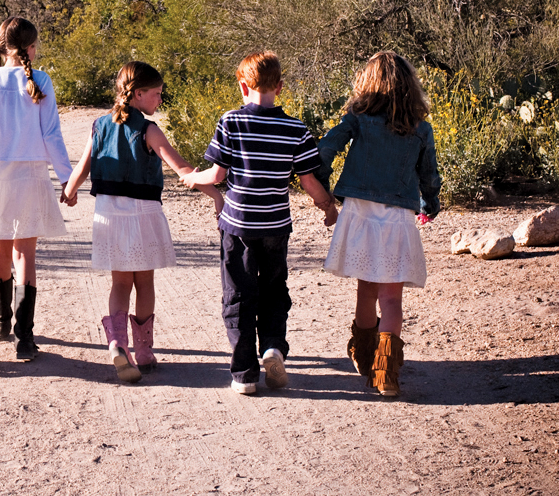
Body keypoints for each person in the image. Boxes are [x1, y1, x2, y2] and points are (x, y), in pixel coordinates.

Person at [180, 51, 336, 394]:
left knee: (237, 295)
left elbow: (218, 174)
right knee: (274, 290)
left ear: (242, 85)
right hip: (276, 226)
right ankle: (273, 347)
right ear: (279, 87)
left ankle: (245, 374)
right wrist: (328, 207)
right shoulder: (295, 128)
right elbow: (308, 180)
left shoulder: (231, 122)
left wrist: (193, 177)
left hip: (238, 225)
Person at [63, 62, 224, 383]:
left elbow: (83, 166)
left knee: (120, 283)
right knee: (144, 282)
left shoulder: (99, 126)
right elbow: (182, 169)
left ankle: (117, 344)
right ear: (138, 94)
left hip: (109, 215)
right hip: (143, 216)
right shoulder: (149, 129)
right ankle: (144, 352)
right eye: (157, 94)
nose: (160, 100)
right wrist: (216, 195)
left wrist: (69, 191)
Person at [316, 51, 440, 398]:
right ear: (409, 88)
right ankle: (387, 374)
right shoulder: (420, 129)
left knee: (366, 289)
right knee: (391, 299)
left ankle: (364, 353)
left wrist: (322, 188)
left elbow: (326, 149)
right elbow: (429, 174)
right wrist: (431, 204)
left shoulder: (357, 118)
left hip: (359, 213)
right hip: (398, 217)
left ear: (367, 84)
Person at [0, 17, 72, 361]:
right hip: (32, 174)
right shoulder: (41, 80)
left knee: (0, 248)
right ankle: (25, 339)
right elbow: (51, 134)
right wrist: (66, 177)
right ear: (31, 47)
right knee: (26, 253)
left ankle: (1, 324)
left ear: (2, 46)